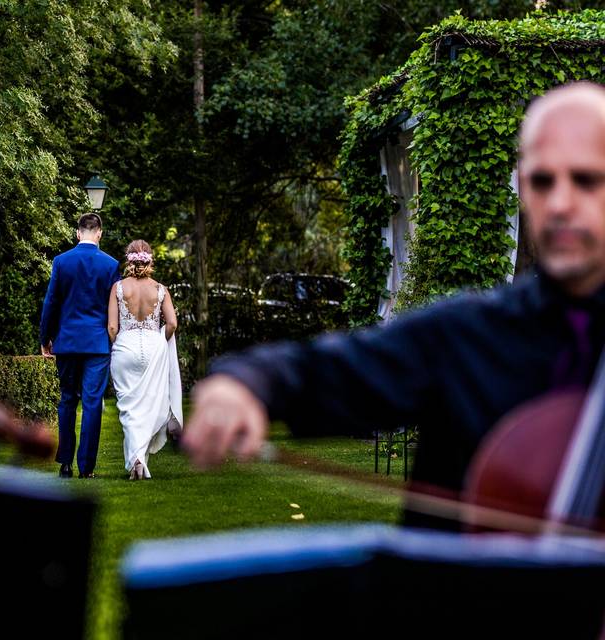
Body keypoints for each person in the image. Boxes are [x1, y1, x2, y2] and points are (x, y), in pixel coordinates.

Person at [183, 81, 605, 529]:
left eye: (586, 180)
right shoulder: (468, 334)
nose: (559, 203)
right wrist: (246, 383)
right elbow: (324, 372)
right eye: (543, 181)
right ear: (521, 188)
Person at [40, 213, 120, 478]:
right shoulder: (110, 265)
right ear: (99, 233)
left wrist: (45, 338)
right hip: (97, 344)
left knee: (67, 400)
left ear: (78, 233)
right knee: (92, 403)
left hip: (68, 341)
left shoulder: (62, 262)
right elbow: (114, 308)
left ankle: (65, 463)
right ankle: (86, 468)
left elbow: (51, 303)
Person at [107, 240, 182, 480]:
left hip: (125, 346)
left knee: (129, 408)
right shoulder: (160, 289)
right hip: (153, 348)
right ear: (149, 260)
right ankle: (138, 460)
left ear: (129, 260)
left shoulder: (118, 288)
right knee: (148, 406)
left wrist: (118, 343)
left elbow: (111, 327)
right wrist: (161, 341)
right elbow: (172, 324)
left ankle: (137, 461)